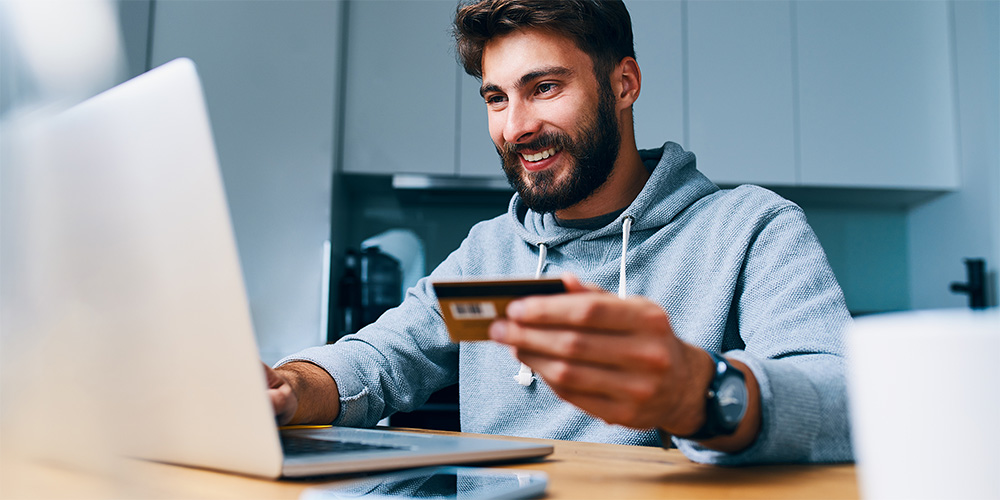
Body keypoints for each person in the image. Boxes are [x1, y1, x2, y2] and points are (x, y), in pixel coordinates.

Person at [267, 0, 852, 465]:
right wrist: (289, 387)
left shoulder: (749, 229)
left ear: (624, 84)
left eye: (544, 87)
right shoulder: (488, 254)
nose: (516, 127)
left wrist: (697, 391)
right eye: (496, 97)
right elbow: (380, 359)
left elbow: (846, 399)